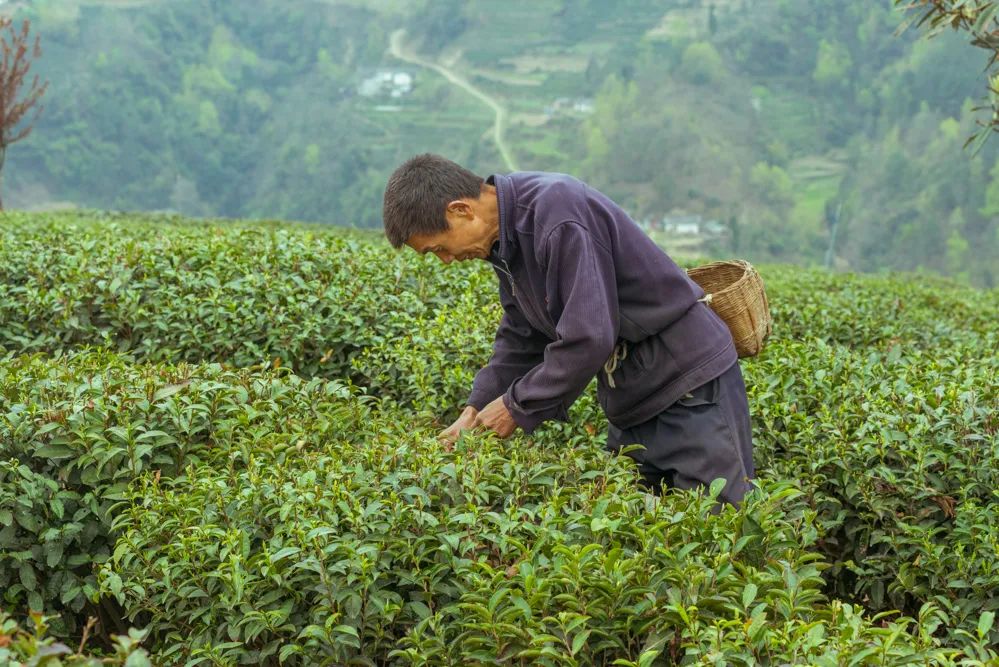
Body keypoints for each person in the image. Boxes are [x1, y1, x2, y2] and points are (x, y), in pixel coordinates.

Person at [381, 153, 754, 506]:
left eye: (438, 249)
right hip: (633, 398)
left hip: (688, 384)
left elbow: (589, 335)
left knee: (717, 527)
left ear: (460, 210)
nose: (446, 261)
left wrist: (515, 406)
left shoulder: (555, 214)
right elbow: (522, 336)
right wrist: (475, 409)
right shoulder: (506, 240)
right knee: (643, 534)